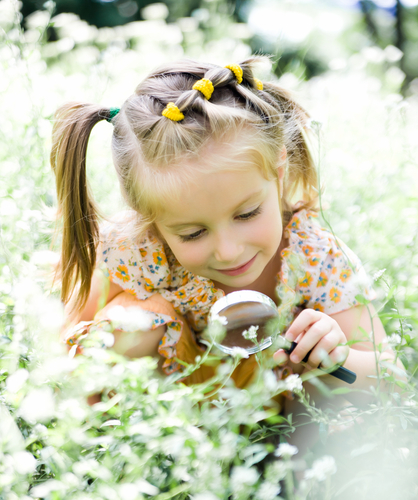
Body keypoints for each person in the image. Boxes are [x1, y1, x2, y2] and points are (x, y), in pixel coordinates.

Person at [52, 57, 402, 414]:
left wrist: (336, 358)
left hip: (274, 416)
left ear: (278, 171)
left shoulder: (313, 255)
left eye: (247, 213)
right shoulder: (134, 250)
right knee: (130, 321)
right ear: (150, 219)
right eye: (192, 233)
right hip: (171, 414)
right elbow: (65, 352)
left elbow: (395, 380)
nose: (229, 251)